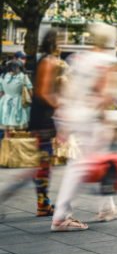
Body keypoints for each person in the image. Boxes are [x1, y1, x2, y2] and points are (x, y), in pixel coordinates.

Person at [51, 23, 117, 231]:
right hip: (92, 119)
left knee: (100, 161)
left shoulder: (79, 59)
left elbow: (67, 88)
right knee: (81, 166)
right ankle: (61, 216)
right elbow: (105, 94)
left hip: (73, 115)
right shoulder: (107, 62)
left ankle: (107, 207)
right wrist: (106, 121)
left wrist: (64, 123)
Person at [28, 30, 66, 217]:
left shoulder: (47, 60)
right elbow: (43, 92)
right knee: (43, 162)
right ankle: (42, 204)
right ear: (53, 43)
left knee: (44, 161)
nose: (62, 45)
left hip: (42, 117)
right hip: (43, 118)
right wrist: (59, 105)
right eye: (60, 41)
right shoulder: (48, 61)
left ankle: (43, 202)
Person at [0, 60, 33, 130]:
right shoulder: (23, 77)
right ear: (19, 67)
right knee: (19, 127)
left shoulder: (2, 76)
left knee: (6, 127)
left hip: (5, 102)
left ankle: (6, 140)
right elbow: (30, 91)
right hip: (19, 102)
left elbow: (1, 92)